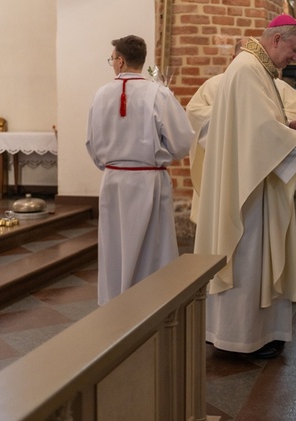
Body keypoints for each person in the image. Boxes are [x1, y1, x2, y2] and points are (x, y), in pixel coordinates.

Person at [193, 15, 296, 359]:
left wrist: (285, 123)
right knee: (247, 258)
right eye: (293, 50)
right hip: (247, 187)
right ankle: (240, 338)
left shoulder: (256, 68)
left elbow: (255, 125)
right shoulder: (248, 68)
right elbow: (260, 131)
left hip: (255, 177)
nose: (295, 58)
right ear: (276, 40)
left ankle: (260, 332)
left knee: (255, 258)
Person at [86, 35, 194, 305]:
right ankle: (151, 304)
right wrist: (159, 158)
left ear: (120, 60)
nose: (112, 63)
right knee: (152, 248)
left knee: (115, 246)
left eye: (112, 58)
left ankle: (114, 305)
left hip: (113, 181)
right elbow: (182, 141)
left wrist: (112, 165)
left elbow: (92, 141)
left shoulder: (100, 94)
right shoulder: (158, 93)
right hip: (150, 180)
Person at [186, 38, 296, 222]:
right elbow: (195, 117)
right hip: (222, 169)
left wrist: (278, 123)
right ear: (234, 58)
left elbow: (295, 119)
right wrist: (244, 120)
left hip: (261, 173)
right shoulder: (212, 86)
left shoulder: (280, 88)